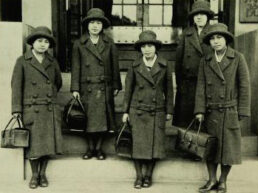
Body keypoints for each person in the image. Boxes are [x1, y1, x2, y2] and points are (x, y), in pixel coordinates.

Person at [194, 23, 251, 193]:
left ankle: (223, 181)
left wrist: (242, 110)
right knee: (210, 148)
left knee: (228, 150)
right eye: (212, 39)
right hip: (210, 112)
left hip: (229, 111)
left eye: (219, 37)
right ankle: (211, 180)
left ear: (226, 39)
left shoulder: (238, 58)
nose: (215, 41)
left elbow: (244, 86)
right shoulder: (205, 60)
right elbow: (201, 86)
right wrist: (199, 110)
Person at [11, 26, 63, 189]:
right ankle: (34, 175)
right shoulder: (22, 61)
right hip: (31, 109)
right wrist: (17, 110)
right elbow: (16, 86)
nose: (42, 44)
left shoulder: (52, 62)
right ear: (32, 43)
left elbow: (58, 82)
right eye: (39, 41)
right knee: (34, 145)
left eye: (46, 41)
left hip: (48, 108)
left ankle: (42, 174)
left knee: (47, 144)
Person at [122, 30, 174, 189]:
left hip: (157, 110)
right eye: (143, 46)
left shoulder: (165, 65)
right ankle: (138, 176)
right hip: (137, 110)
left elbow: (169, 91)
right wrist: (125, 111)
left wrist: (169, 111)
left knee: (154, 146)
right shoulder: (135, 65)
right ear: (140, 49)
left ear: (156, 47)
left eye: (150, 45)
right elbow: (128, 90)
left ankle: (148, 176)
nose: (147, 49)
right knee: (137, 145)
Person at [71, 8, 122, 160]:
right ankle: (90, 148)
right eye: (92, 22)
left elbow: (114, 66)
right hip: (86, 87)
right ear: (87, 25)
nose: (95, 26)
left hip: (104, 87)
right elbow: (76, 67)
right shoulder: (79, 44)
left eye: (98, 23)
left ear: (102, 26)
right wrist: (75, 88)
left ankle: (99, 148)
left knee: (103, 120)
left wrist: (116, 85)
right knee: (87, 119)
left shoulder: (109, 43)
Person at [173, 0, 215, 128]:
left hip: (209, 83)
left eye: (202, 14)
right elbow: (179, 61)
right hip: (188, 84)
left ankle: (204, 146)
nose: (199, 17)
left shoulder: (215, 33)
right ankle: (187, 147)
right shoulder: (187, 33)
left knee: (206, 121)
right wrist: (180, 84)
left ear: (208, 16)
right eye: (196, 14)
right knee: (187, 121)